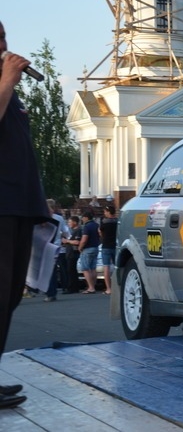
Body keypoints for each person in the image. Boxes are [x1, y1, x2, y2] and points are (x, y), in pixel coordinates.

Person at [0, 21, 51, 409]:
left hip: (19, 204)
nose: (4, 44)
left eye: (3, 36)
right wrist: (6, 83)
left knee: (9, 297)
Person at [43, 199, 70, 302]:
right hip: (57, 246)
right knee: (54, 269)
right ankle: (53, 292)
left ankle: (49, 292)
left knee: (47, 271)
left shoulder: (44, 218)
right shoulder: (59, 218)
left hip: (46, 246)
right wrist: (68, 238)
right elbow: (66, 231)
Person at [77, 210, 101, 294]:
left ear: (86, 218)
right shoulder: (96, 225)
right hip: (95, 247)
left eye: (83, 218)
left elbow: (84, 238)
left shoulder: (86, 227)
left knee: (85, 268)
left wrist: (80, 247)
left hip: (87, 249)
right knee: (93, 268)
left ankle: (90, 287)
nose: (82, 219)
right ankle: (93, 285)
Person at [99, 205, 117, 295]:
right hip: (115, 245)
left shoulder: (104, 222)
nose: (104, 213)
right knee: (117, 266)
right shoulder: (117, 221)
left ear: (108, 212)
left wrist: (103, 237)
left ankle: (108, 288)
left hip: (106, 245)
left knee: (106, 267)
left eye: (105, 212)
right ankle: (118, 286)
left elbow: (100, 232)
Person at [62, 215, 83, 294]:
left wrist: (67, 241)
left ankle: (72, 288)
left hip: (73, 253)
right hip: (69, 252)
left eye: (70, 222)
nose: (69, 224)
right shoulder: (70, 231)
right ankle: (74, 287)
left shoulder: (78, 231)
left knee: (71, 270)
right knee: (71, 270)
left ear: (75, 222)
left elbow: (77, 242)